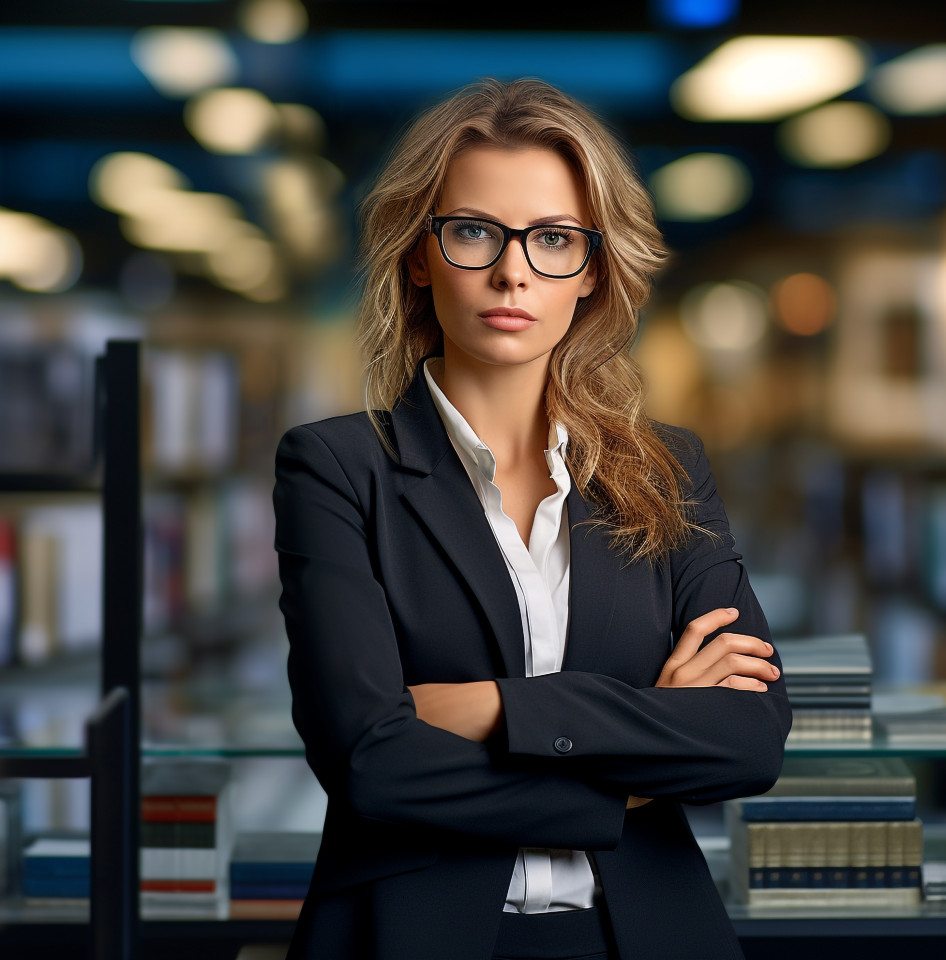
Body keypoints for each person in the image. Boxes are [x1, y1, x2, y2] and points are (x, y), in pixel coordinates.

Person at [273, 77, 792, 960]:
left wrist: (484, 709)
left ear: (592, 269)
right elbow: (369, 760)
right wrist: (631, 759)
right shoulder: (335, 467)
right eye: (474, 230)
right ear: (418, 253)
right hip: (413, 937)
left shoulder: (668, 469)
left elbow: (747, 740)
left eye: (553, 238)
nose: (514, 270)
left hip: (646, 935)